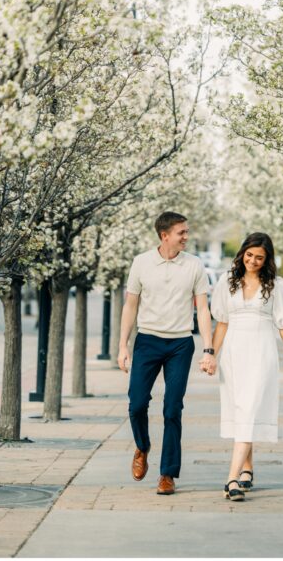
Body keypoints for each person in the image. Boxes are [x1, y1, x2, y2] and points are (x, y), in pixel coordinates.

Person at [210, 232, 283, 502]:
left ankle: (231, 478)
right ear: (242, 253)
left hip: (261, 353)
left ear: (267, 259)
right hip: (233, 353)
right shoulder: (227, 281)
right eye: (249, 255)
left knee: (251, 406)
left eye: (259, 257)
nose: (253, 261)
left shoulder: (276, 285)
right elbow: (221, 322)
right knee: (241, 409)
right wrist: (211, 354)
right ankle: (248, 468)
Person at [117, 211, 215, 496]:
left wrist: (208, 349)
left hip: (180, 344)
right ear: (165, 235)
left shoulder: (194, 265)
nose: (187, 236)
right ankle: (142, 447)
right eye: (181, 232)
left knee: (172, 409)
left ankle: (167, 474)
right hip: (147, 341)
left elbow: (203, 309)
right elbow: (130, 306)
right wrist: (123, 346)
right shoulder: (141, 263)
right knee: (136, 404)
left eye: (187, 231)